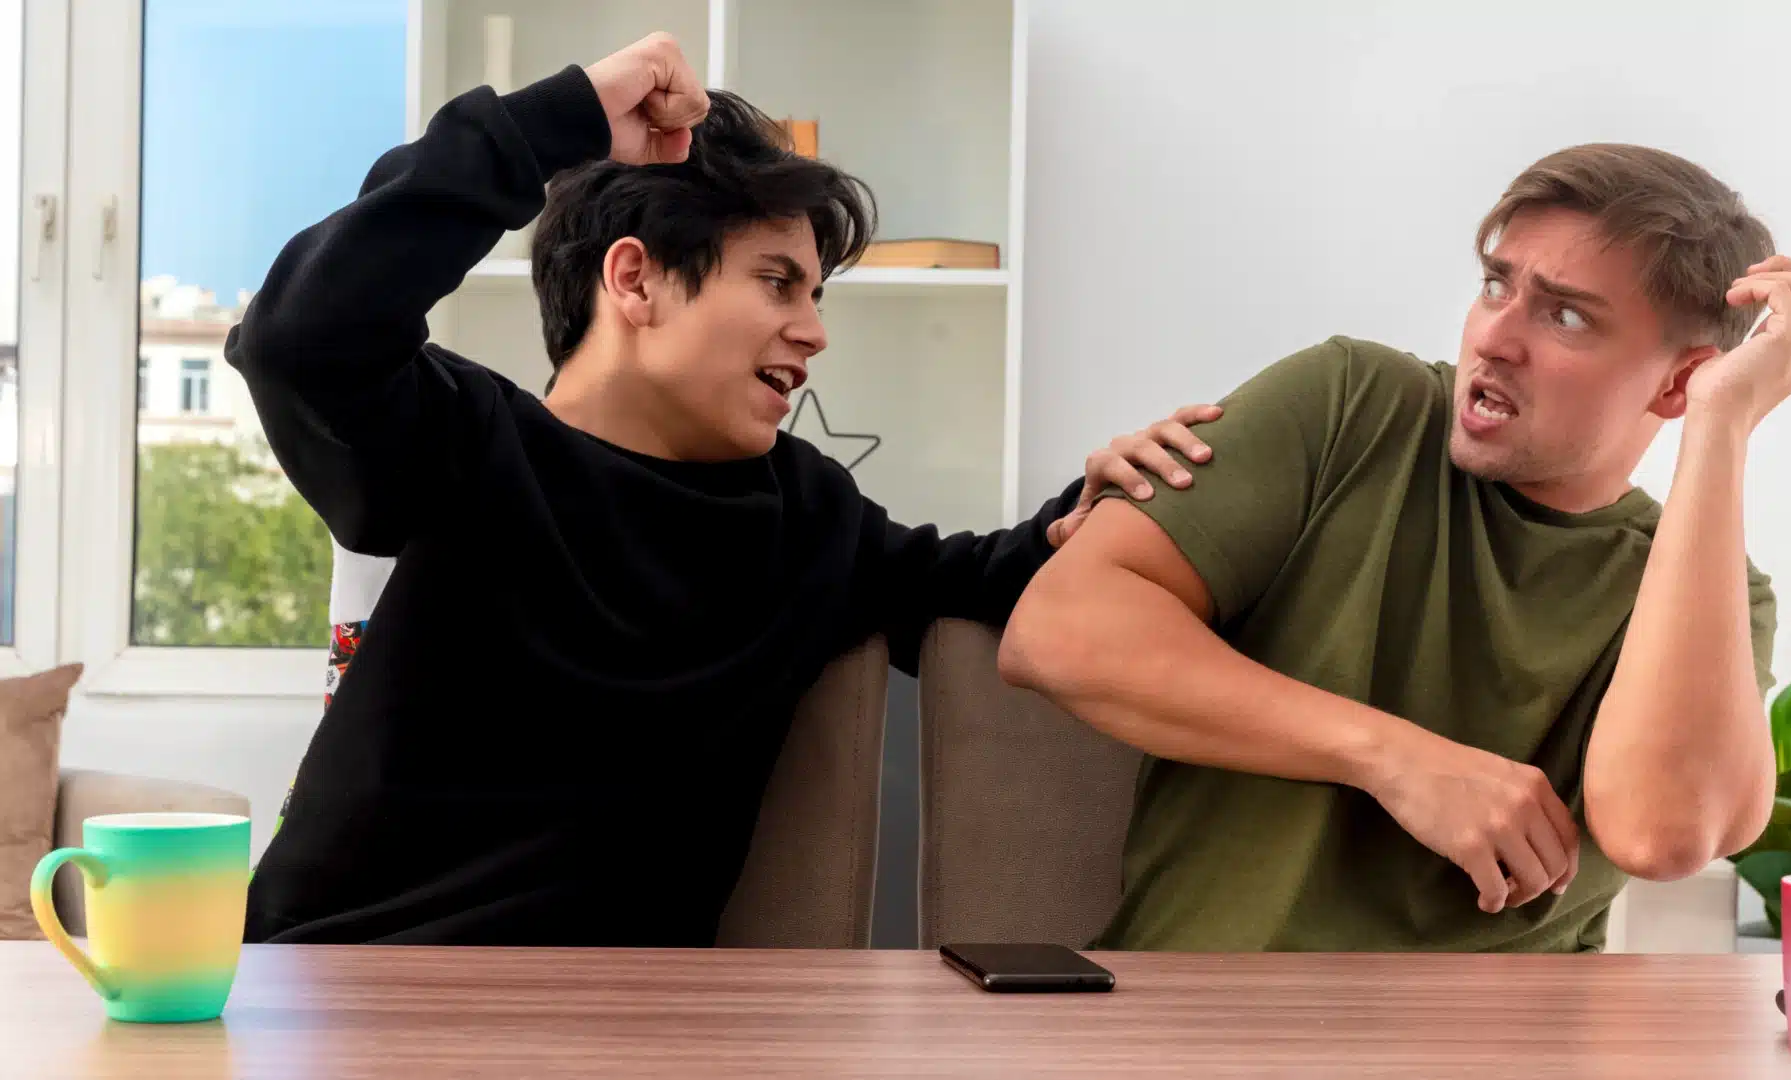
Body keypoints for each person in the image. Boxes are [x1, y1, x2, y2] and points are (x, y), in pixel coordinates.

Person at [233, 33, 1220, 947]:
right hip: (345, 980)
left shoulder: (806, 516)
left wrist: (1098, 501)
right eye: (778, 283)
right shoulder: (461, 444)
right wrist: (555, 120)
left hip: (616, 1022)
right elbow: (300, 336)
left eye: (816, 295)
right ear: (635, 281)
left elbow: (988, 581)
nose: (815, 332)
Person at [1000, 142, 1791, 952]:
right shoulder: (1350, 405)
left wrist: (1722, 425)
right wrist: (1394, 759)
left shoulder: (1708, 591)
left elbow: (1662, 835)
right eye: (1496, 286)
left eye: (1566, 315)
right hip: (1202, 1014)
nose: (1496, 338)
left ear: (1679, 380)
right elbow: (1057, 631)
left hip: (1501, 1033)